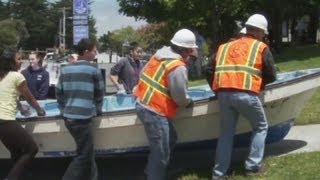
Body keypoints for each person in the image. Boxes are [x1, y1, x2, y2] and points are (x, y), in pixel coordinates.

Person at [210, 14, 277, 179]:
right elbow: (271, 74)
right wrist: (258, 85)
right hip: (245, 93)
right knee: (261, 127)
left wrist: (218, 88)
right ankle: (252, 166)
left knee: (226, 134)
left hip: (223, 94)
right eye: (264, 33)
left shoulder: (224, 47)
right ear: (260, 31)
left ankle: (218, 174)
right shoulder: (260, 47)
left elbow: (209, 69)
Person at [134, 28, 197, 180]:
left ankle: (152, 172)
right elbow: (180, 97)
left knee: (171, 138)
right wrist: (188, 102)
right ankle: (155, 175)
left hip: (142, 103)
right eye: (190, 51)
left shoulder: (159, 55)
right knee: (161, 154)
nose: (191, 55)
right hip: (154, 111)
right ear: (184, 50)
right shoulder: (177, 67)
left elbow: (143, 74)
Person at [56, 38, 105, 180]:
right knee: (84, 155)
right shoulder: (93, 69)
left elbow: (59, 93)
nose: (96, 53)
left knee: (87, 151)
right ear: (86, 52)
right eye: (94, 51)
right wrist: (98, 109)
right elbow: (99, 93)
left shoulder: (65, 69)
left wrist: (62, 109)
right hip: (83, 118)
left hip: (68, 117)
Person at [0, 48, 46, 180]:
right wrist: (40, 111)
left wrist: (21, 109)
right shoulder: (17, 76)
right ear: (11, 62)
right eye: (19, 59)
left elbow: (10, 96)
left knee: (15, 151)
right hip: (5, 120)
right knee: (31, 149)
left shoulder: (1, 76)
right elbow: (29, 98)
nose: (22, 61)